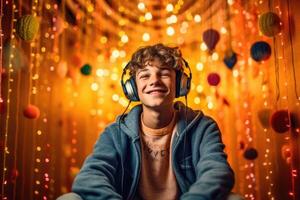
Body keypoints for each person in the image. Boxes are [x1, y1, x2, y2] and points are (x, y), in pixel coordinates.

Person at [58, 43, 236, 200]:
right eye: (145, 76)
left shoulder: (203, 127)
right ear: (132, 89)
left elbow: (217, 172)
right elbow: (88, 178)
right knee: (69, 198)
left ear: (181, 84)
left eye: (164, 73)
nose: (155, 81)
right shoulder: (114, 133)